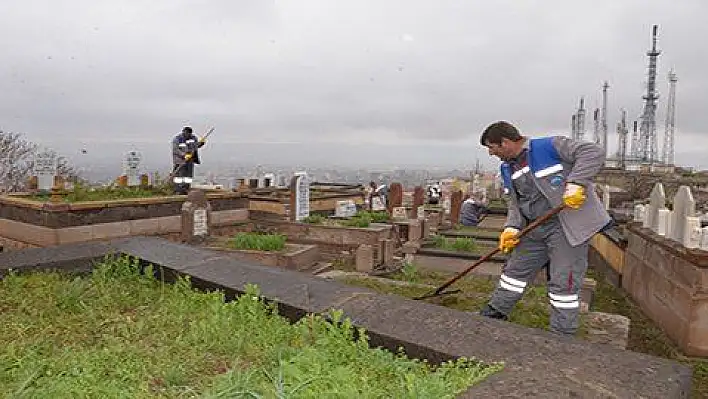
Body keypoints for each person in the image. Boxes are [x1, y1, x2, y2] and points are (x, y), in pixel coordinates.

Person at [477, 121, 610, 336]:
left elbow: (592, 152)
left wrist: (576, 183)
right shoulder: (507, 167)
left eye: (492, 147)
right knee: (514, 272)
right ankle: (496, 311)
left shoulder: (548, 147)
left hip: (566, 226)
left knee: (563, 282)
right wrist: (511, 228)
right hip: (534, 228)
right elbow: (515, 202)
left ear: (506, 142)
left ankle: (562, 333)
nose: (492, 153)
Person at [171, 126, 206, 194]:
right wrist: (184, 155)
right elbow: (175, 150)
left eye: (189, 134)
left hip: (190, 160)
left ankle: (186, 189)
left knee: (188, 176)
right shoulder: (177, 139)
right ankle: (178, 190)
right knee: (180, 176)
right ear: (184, 132)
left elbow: (195, 146)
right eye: (186, 133)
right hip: (180, 160)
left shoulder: (193, 138)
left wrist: (201, 143)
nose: (188, 135)